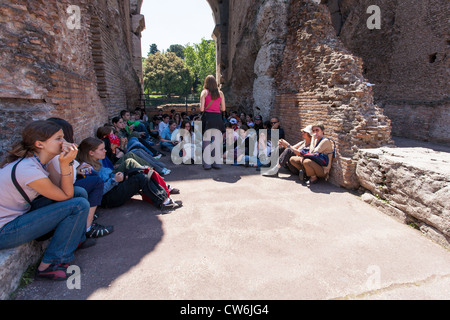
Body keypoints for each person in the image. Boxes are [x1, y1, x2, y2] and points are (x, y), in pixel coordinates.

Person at [0, 120, 91, 280]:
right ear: (40, 144)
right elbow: (65, 196)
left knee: (79, 192)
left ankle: (75, 239)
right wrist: (66, 163)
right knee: (78, 205)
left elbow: (62, 188)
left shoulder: (39, 162)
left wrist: (66, 162)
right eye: (58, 138)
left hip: (19, 217)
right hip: (5, 230)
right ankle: (49, 265)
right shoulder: (28, 170)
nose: (64, 142)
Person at [46, 118, 113, 238]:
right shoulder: (54, 157)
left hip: (73, 182)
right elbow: (61, 184)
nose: (63, 140)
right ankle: (88, 226)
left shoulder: (58, 154)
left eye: (62, 137)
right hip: (66, 190)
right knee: (96, 181)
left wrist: (77, 170)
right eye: (58, 138)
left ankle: (88, 215)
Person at [77, 137, 182, 210]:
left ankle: (163, 193)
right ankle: (164, 202)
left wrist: (117, 177)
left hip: (114, 186)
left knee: (140, 171)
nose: (105, 151)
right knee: (141, 178)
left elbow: (108, 176)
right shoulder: (87, 169)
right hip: (109, 198)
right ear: (91, 152)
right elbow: (98, 192)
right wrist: (114, 180)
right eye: (102, 149)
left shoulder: (96, 161)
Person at [200, 75, 226, 169]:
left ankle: (207, 164)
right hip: (217, 118)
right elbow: (223, 108)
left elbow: (202, 108)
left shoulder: (204, 92)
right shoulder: (220, 93)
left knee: (206, 141)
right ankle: (217, 163)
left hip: (207, 118)